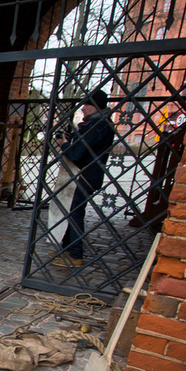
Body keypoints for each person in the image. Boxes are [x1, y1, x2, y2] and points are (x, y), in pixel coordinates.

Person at [53, 89, 115, 267]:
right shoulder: (101, 123)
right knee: (72, 212)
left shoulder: (97, 125)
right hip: (89, 174)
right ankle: (67, 249)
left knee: (75, 215)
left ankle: (75, 254)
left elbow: (76, 153)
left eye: (86, 104)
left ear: (95, 106)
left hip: (86, 175)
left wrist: (65, 144)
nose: (83, 108)